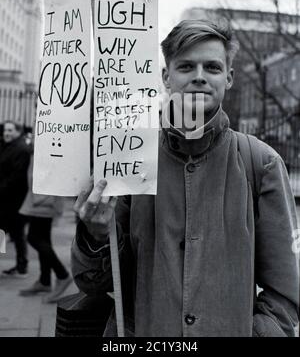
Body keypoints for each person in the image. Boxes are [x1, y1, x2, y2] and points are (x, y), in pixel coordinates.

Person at [71, 19, 299, 337]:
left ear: (229, 78)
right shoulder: (129, 157)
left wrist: (259, 333)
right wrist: (95, 236)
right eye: (186, 66)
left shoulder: (261, 163)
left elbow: (286, 292)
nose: (200, 77)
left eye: (213, 67)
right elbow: (95, 283)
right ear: (167, 76)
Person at [18, 152, 73, 302]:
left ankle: (62, 275)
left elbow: (54, 174)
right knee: (43, 239)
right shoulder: (40, 147)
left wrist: (40, 198)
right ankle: (44, 280)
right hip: (40, 199)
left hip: (42, 201)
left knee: (34, 238)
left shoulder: (49, 145)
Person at [0, 120, 31, 277]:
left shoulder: (20, 149)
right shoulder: (10, 146)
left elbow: (16, 177)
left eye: (10, 130)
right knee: (14, 234)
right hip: (9, 200)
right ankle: (21, 266)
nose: (6, 133)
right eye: (5, 130)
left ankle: (22, 266)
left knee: (16, 234)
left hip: (14, 201)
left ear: (18, 131)